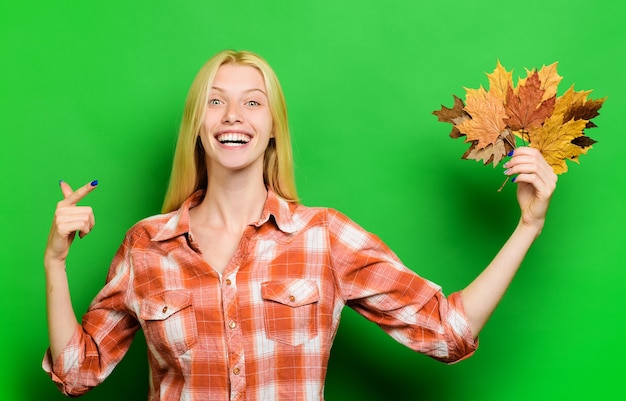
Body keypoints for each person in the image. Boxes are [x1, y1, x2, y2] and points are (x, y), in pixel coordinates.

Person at [42, 50, 557, 401]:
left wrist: (526, 227)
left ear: (271, 129)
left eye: (252, 102)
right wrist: (56, 263)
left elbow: (447, 333)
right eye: (215, 101)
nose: (232, 116)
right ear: (198, 125)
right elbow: (78, 372)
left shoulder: (323, 237)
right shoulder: (147, 244)